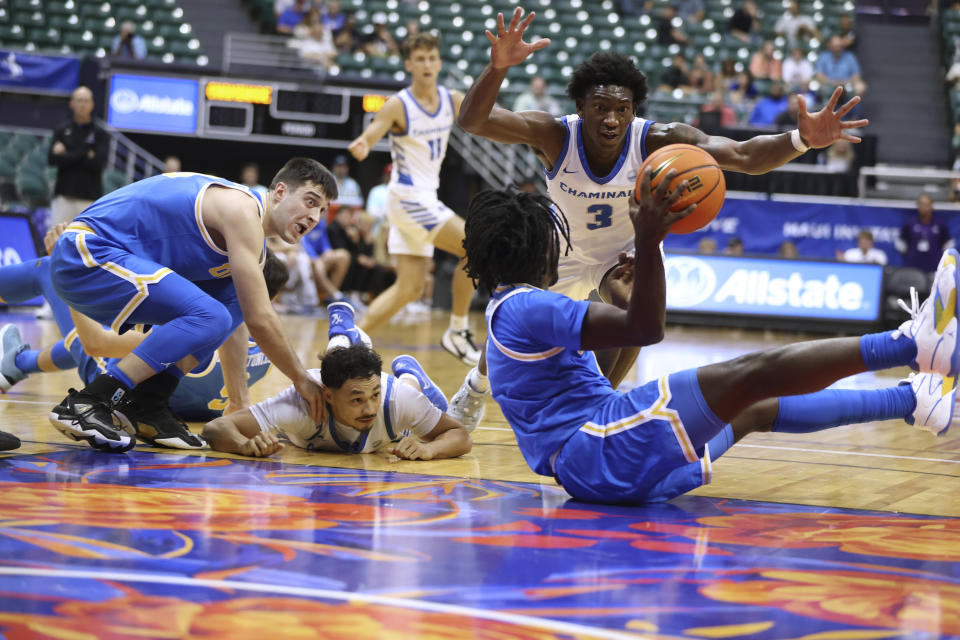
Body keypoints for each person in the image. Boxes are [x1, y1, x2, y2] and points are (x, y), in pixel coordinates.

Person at [451, 7, 868, 426]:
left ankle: (595, 410)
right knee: (511, 316)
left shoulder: (659, 140)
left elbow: (742, 156)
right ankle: (474, 389)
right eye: (600, 108)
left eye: (622, 108)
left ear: (633, 110)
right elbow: (473, 121)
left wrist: (801, 140)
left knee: (633, 312)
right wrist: (497, 68)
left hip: (626, 254)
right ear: (581, 105)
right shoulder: (554, 134)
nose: (611, 119)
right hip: (562, 248)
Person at [461, 182, 959, 505]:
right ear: (536, 245)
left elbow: (604, 381)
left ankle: (915, 401)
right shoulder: (526, 307)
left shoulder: (507, 313)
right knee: (752, 372)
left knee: (757, 405)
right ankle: (910, 346)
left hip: (602, 463)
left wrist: (619, 300)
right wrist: (650, 239)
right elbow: (647, 328)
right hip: (598, 452)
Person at [46, 158, 338, 453]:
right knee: (210, 315)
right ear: (279, 192)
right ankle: (91, 399)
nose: (314, 216)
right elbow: (260, 319)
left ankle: (148, 403)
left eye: (322, 210)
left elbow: (235, 323)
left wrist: (239, 404)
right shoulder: (241, 209)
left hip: (116, 267)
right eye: (310, 201)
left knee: (227, 306)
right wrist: (301, 378)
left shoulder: (251, 244)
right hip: (86, 252)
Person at [0, 230, 289, 446]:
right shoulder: (265, 356)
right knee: (133, 340)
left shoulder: (198, 330)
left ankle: (19, 354)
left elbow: (96, 343)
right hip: (174, 409)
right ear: (272, 297)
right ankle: (18, 362)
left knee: (52, 266)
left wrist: (66, 269)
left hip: (113, 391)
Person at [347, 32, 481, 367]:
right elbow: (375, 128)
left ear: (439, 63)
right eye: (419, 59)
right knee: (476, 247)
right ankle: (458, 329)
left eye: (431, 58)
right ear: (409, 64)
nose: (426, 64)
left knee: (408, 289)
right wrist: (364, 142)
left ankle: (347, 345)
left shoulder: (451, 99)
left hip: (422, 198)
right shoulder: (399, 104)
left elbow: (487, 111)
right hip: (408, 197)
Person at [203, 302, 472, 459]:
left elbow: (461, 435)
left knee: (402, 403)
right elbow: (216, 428)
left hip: (399, 401)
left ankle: (411, 376)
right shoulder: (299, 407)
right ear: (328, 396)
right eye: (357, 400)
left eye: (373, 396)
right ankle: (346, 337)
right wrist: (244, 446)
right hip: (341, 395)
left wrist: (430, 450)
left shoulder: (394, 398)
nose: (368, 408)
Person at [47, 86, 109, 225]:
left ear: (92, 104)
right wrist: (86, 153)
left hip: (90, 199)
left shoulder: (100, 133)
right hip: (64, 196)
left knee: (86, 243)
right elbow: (52, 159)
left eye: (86, 101)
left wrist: (68, 154)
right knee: (57, 240)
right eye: (79, 100)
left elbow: (98, 163)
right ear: (72, 103)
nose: (83, 104)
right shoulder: (62, 130)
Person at [897, 194, 955, 273]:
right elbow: (901, 243)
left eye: (927, 205)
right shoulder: (910, 223)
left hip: (935, 267)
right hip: (913, 266)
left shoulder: (940, 223)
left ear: (931, 206)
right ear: (918, 206)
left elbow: (949, 243)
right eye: (922, 204)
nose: (925, 208)